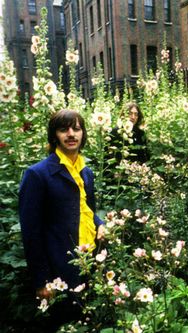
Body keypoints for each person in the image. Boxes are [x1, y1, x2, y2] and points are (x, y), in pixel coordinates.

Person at [19, 109, 105, 327]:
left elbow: (87, 209)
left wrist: (100, 224)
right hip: (60, 270)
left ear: (83, 134)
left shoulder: (86, 172)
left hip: (90, 262)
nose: (71, 134)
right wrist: (41, 281)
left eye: (76, 129)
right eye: (63, 129)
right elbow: (31, 234)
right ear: (54, 135)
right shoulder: (37, 175)